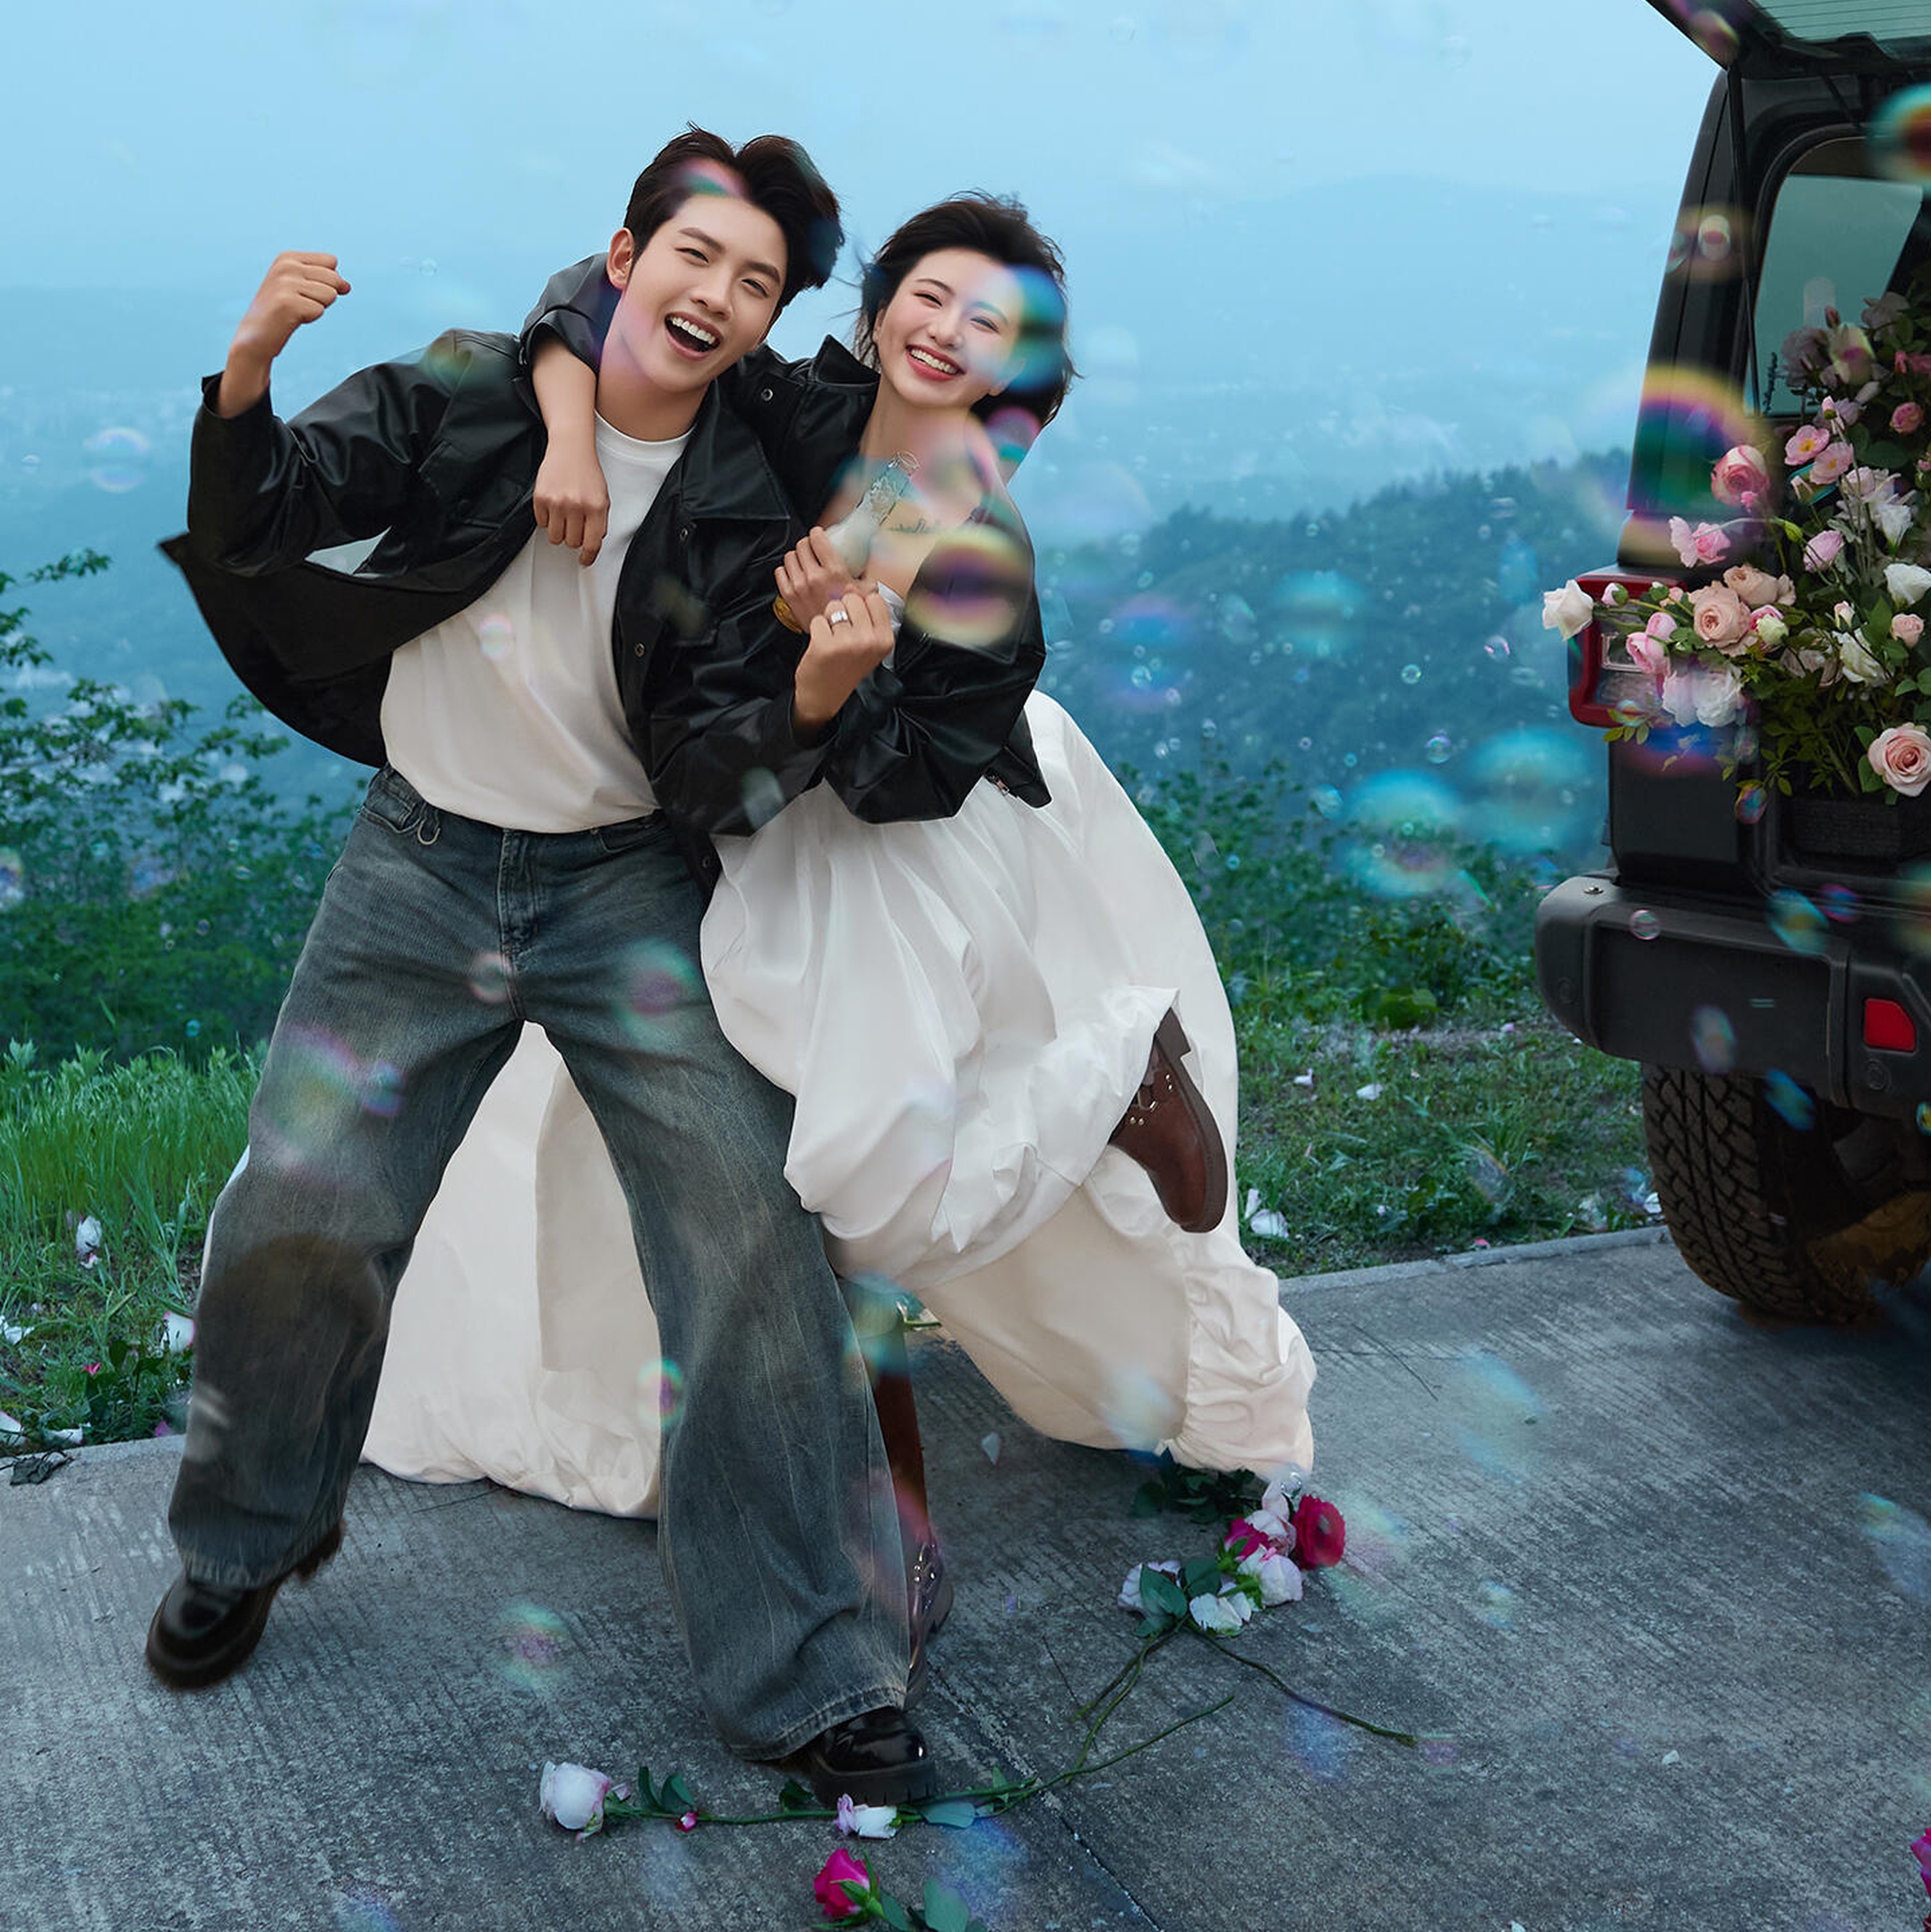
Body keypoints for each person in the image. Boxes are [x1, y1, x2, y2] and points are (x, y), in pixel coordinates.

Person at [146, 129, 940, 1810]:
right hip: (416, 866)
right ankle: (242, 1543)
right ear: (624, 257)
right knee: (299, 1212)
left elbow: (721, 760)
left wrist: (815, 692)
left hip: (625, 885)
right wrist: (249, 366)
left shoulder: (757, 481)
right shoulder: (475, 395)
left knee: (745, 1243)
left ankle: (814, 1668)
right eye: (692, 255)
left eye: (756, 282)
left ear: (774, 316)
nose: (716, 296)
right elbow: (276, 502)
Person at [361, 194, 1316, 1558]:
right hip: (720, 812)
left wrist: (838, 671)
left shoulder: (978, 544)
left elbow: (911, 781)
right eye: (928, 294)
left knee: (853, 1171)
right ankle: (846, 1485)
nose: (947, 330)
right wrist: (571, 433)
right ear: (874, 308)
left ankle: (1111, 1077)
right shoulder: (782, 410)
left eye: (988, 322)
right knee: (720, 1161)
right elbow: (598, 303)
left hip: (900, 854)